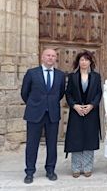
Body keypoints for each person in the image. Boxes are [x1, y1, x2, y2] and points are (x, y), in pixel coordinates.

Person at [21, 48, 66, 184]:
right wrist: (35, 104)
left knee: (52, 144)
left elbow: (60, 93)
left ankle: (50, 170)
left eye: (53, 56)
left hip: (52, 114)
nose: (50, 58)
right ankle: (29, 172)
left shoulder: (60, 75)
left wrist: (49, 103)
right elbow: (24, 93)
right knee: (32, 144)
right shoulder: (32, 73)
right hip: (34, 114)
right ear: (42, 57)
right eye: (48, 55)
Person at [64, 50, 102, 178]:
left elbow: (98, 93)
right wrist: (75, 106)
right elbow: (68, 94)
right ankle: (75, 168)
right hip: (76, 113)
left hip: (91, 113)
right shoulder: (72, 77)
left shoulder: (96, 77)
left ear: (90, 62)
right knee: (76, 139)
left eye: (86, 59)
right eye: (81, 60)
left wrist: (91, 105)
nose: (84, 62)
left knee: (89, 140)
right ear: (78, 62)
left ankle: (87, 167)